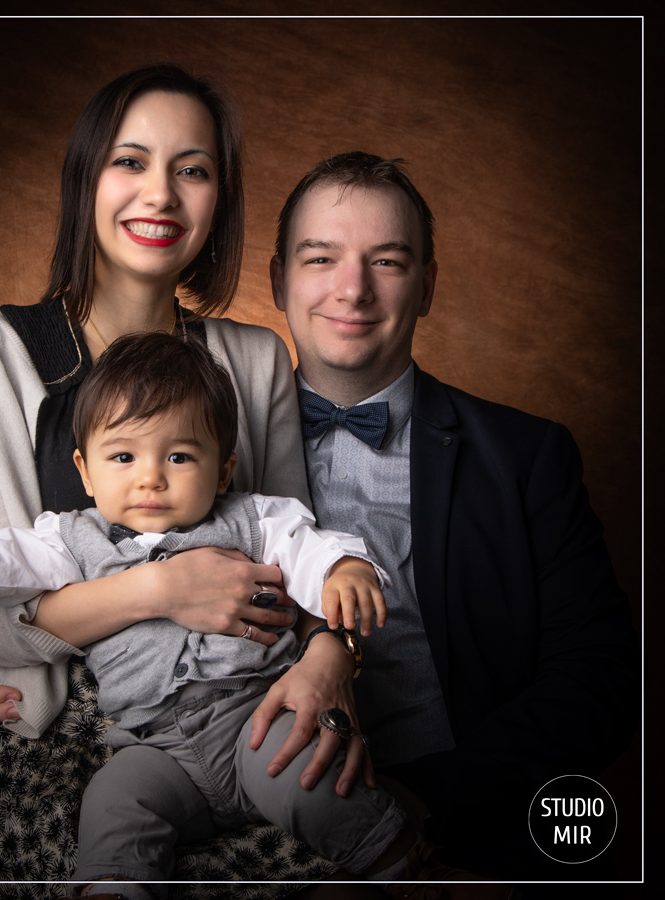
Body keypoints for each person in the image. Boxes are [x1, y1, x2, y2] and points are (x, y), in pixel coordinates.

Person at [0, 65, 373, 891]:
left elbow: (299, 577)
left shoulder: (253, 361)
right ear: (86, 178)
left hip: (240, 720)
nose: (161, 194)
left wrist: (332, 661)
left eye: (193, 169)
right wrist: (163, 590)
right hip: (48, 750)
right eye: (131, 161)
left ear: (219, 198)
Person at [0, 333, 417, 894]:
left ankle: (411, 870)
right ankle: (115, 889)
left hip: (254, 717)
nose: (150, 477)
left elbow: (310, 544)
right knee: (112, 806)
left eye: (180, 455)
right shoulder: (71, 541)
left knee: (313, 783)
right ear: (86, 471)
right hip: (154, 748)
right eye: (122, 455)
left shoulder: (252, 519)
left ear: (223, 469)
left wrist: (345, 569)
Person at [266, 150, 641, 888]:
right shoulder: (190, 446)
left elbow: (602, 679)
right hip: (242, 831)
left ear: (428, 286)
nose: (353, 289)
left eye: (388, 261)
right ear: (278, 278)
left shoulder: (526, 456)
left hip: (461, 834)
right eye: (321, 258)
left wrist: (426, 805)